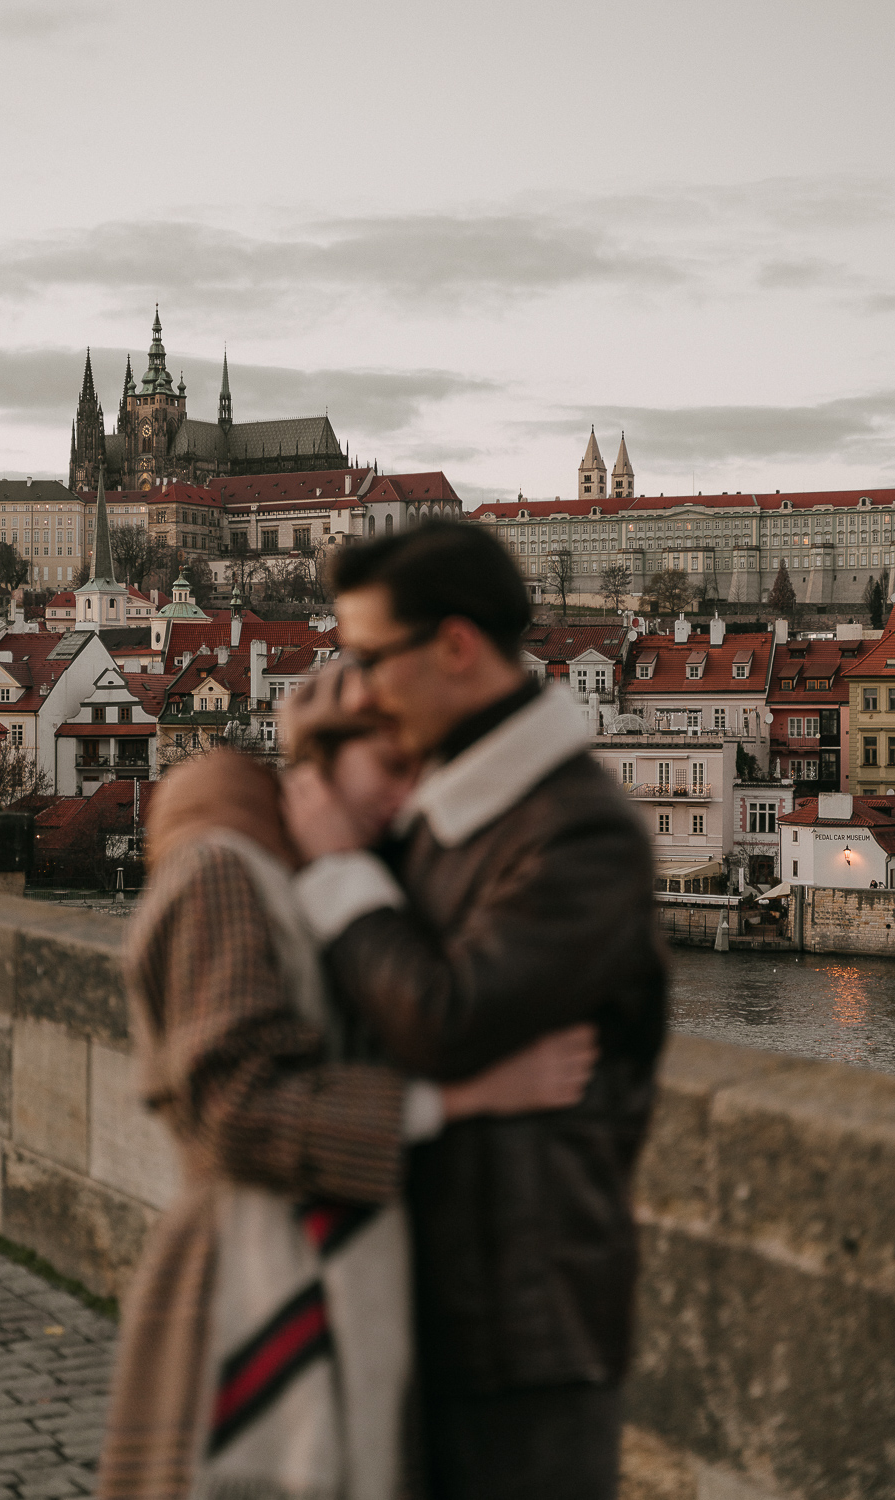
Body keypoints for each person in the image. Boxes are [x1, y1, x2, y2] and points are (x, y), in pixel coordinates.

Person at [97, 744, 599, 1500]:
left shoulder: (306, 885)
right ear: (312, 769)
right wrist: (468, 1097)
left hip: (326, 1282)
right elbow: (234, 1106)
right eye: (390, 767)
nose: (407, 793)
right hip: (250, 1282)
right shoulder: (221, 870)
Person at [282, 522, 667, 1500]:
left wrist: (334, 864)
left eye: (369, 659)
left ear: (455, 645)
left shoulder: (580, 833)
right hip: (418, 1290)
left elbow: (442, 1020)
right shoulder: (461, 803)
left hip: (521, 1322)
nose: (359, 687)